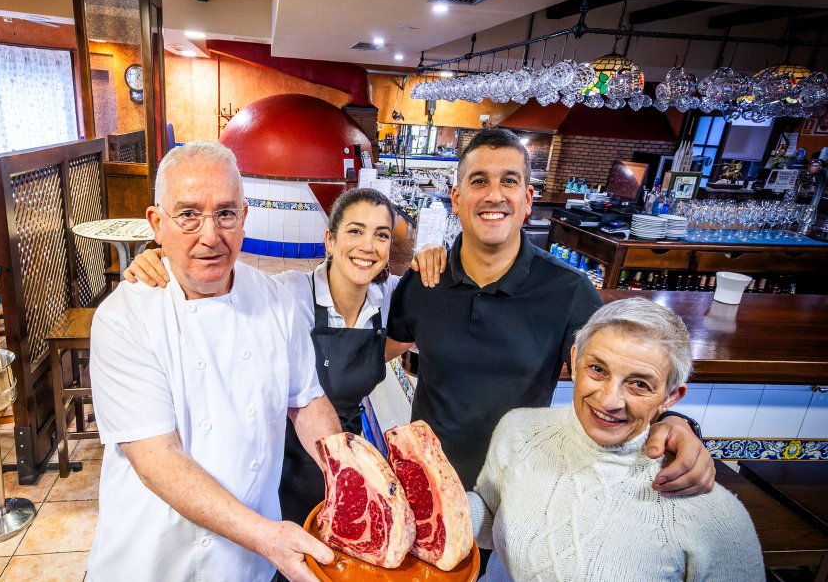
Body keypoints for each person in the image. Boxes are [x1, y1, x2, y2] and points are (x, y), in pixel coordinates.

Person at [386, 128, 714, 494]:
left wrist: (675, 422)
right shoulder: (425, 279)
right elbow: (375, 353)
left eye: (508, 181)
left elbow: (624, 375)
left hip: (514, 488)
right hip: (426, 481)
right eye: (479, 181)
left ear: (527, 199)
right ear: (457, 198)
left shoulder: (568, 291)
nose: (494, 195)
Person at [87, 141, 342, 582]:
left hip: (250, 563)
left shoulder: (276, 300)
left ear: (244, 218)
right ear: (157, 223)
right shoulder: (124, 318)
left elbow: (306, 401)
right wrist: (266, 536)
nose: (210, 236)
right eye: (188, 214)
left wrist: (347, 474)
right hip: (154, 561)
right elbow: (158, 459)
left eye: (225, 213)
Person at [124, 187, 447, 526]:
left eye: (381, 235)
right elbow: (216, 296)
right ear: (330, 241)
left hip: (345, 454)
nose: (368, 245)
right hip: (280, 458)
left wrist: (432, 259)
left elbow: (434, 324)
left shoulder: (390, 297)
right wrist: (164, 262)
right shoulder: (289, 293)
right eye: (355, 231)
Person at [468, 298, 764, 580]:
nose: (609, 401)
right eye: (597, 369)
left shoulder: (718, 519)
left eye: (639, 384)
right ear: (575, 359)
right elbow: (491, 518)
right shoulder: (518, 429)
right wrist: (441, 505)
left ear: (671, 396)